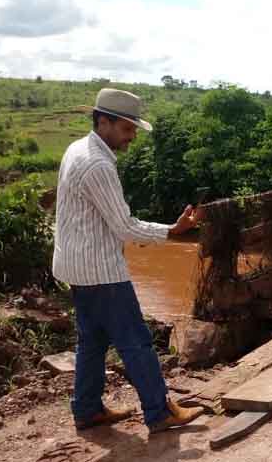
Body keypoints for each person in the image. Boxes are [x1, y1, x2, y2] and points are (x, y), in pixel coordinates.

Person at [53, 88, 204, 434]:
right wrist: (173, 231)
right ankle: (159, 411)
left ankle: (87, 409)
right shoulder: (98, 164)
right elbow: (124, 227)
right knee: (135, 340)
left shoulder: (77, 148)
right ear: (103, 122)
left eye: (133, 129)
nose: (132, 136)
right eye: (127, 128)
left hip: (75, 265)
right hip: (101, 270)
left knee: (91, 341)